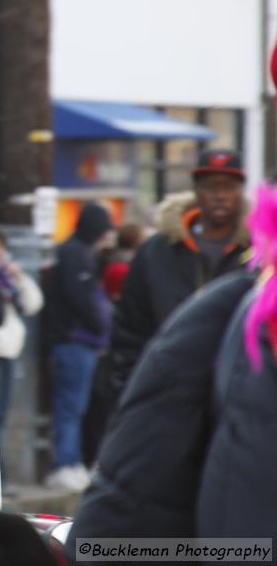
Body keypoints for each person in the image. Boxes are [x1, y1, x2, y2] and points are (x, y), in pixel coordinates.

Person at [85, 151, 248, 460]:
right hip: (168, 403)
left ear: (241, 192)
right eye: (211, 186)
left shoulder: (261, 252)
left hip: (239, 403)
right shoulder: (156, 252)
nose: (220, 195)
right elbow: (130, 329)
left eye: (229, 186)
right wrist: (129, 394)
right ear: (196, 191)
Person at [40, 202, 114, 491]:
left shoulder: (76, 251)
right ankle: (64, 464)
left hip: (76, 341)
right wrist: (99, 325)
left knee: (75, 406)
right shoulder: (76, 253)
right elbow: (81, 297)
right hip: (74, 341)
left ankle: (70, 462)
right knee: (70, 406)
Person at [0, 225, 44, 430]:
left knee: (1, 414)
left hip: (7, 350)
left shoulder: (8, 278)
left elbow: (33, 304)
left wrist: (20, 278)